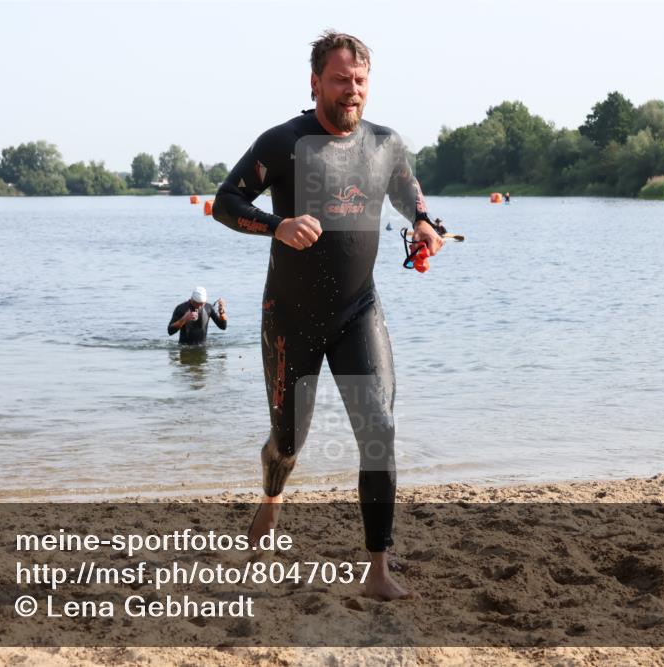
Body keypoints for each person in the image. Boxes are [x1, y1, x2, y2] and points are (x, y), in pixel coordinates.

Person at [212, 30, 443, 601]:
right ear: (315, 82)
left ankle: (378, 569)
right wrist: (277, 226)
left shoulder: (386, 144)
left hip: (357, 310)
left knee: (380, 432)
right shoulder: (284, 142)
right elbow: (224, 202)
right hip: (291, 317)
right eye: (341, 79)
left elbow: (410, 193)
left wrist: (423, 223)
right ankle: (271, 498)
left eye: (360, 80)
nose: (352, 90)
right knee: (288, 442)